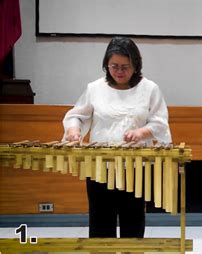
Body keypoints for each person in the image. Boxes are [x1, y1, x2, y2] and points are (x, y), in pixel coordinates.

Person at [63, 37, 172, 238]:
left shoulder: (150, 89)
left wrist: (141, 132)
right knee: (100, 222)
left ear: (136, 65)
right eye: (114, 66)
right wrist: (73, 131)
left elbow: (159, 123)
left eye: (125, 67)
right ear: (106, 64)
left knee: (133, 221)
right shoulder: (94, 88)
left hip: (135, 167)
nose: (119, 72)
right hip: (99, 167)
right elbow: (76, 116)